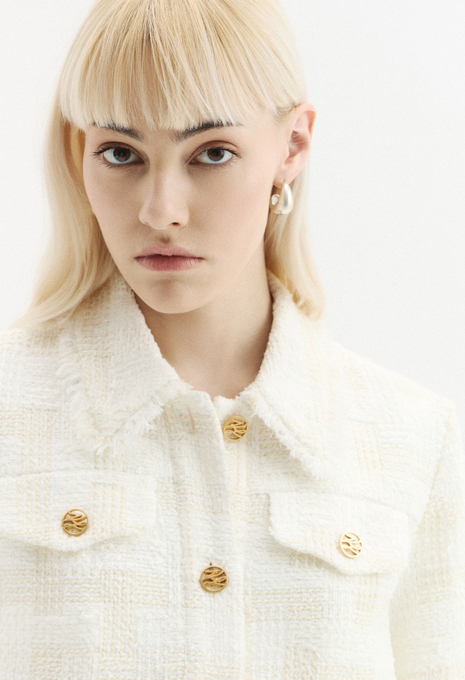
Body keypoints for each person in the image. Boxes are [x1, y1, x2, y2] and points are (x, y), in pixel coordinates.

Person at [0, 0, 464, 677]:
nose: (161, 210)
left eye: (211, 153)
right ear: (80, 153)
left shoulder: (414, 439)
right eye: (121, 153)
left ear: (292, 147)